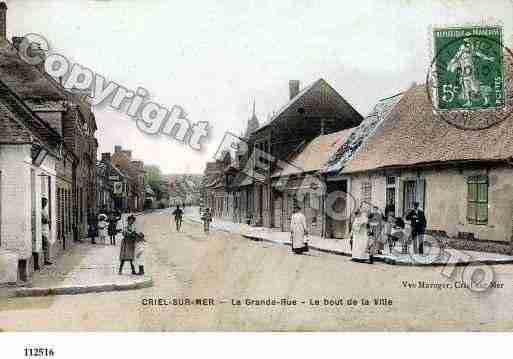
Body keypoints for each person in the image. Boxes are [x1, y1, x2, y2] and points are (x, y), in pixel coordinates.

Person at [41, 197, 52, 265]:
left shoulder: (44, 210)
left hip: (45, 230)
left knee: (46, 245)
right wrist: (47, 221)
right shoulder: (41, 211)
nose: (45, 204)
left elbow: (47, 219)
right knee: (47, 244)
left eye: (46, 202)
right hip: (42, 231)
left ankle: (46, 259)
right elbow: (44, 220)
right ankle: (46, 260)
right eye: (44, 202)